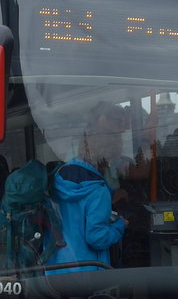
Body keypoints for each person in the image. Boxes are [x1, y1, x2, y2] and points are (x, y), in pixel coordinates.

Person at [49, 103, 128, 272]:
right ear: (107, 155)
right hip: (86, 274)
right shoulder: (97, 190)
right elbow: (97, 238)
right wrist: (120, 225)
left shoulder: (59, 177)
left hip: (56, 269)